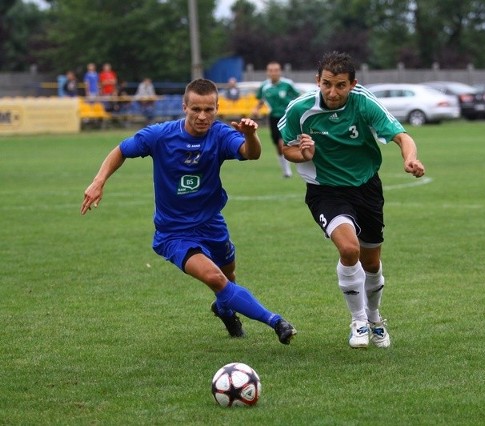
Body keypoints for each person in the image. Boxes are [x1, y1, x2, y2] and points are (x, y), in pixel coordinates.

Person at [81, 78, 297, 345]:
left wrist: (251, 135)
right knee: (215, 278)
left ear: (217, 108)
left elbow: (250, 154)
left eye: (209, 110)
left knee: (228, 277)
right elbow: (121, 150)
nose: (202, 116)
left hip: (211, 223)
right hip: (174, 233)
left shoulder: (220, 134)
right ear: (184, 107)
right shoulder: (160, 135)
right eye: (196, 109)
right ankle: (276, 322)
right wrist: (99, 181)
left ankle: (224, 310)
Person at [278, 51, 425, 349]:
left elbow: (402, 136)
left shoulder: (364, 102)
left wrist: (410, 159)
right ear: (317, 81)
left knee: (372, 263)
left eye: (341, 85)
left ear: (352, 84)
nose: (333, 92)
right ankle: (357, 320)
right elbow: (286, 148)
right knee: (349, 249)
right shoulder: (300, 109)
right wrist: (303, 154)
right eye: (327, 84)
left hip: (366, 187)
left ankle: (374, 318)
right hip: (326, 191)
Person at [251, 61, 300, 178]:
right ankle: (285, 168)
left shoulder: (288, 84)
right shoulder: (264, 86)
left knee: (281, 142)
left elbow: (298, 96)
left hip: (287, 116)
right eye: (271, 70)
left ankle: (289, 170)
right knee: (277, 145)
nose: (274, 73)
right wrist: (256, 109)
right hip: (273, 117)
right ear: (267, 72)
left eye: (276, 70)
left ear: (280, 71)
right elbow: (261, 99)